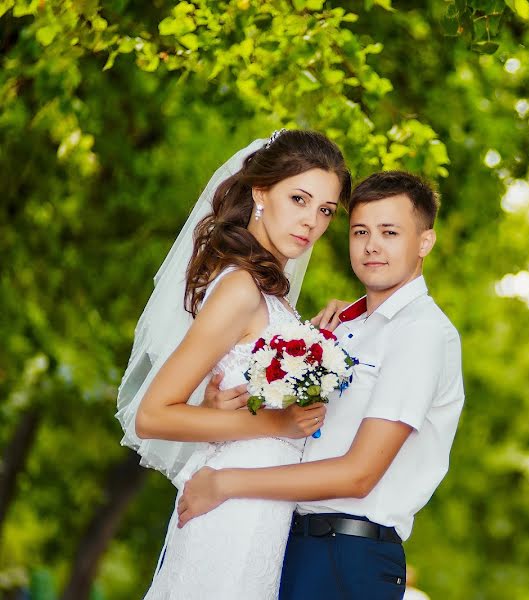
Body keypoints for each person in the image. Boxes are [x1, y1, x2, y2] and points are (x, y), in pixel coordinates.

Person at [177, 171, 465, 600]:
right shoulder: (344, 326)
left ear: (424, 242)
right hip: (291, 542)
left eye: (390, 232)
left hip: (348, 555)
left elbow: (358, 475)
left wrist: (226, 482)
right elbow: (298, 424)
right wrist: (221, 405)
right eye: (360, 231)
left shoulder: (420, 332)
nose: (372, 245)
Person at [115, 129, 352, 599]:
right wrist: (277, 423)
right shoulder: (241, 288)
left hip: (259, 507)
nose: (311, 222)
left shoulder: (265, 291)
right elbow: (153, 414)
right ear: (261, 192)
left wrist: (332, 331)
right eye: (299, 199)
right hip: (231, 509)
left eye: (325, 210)